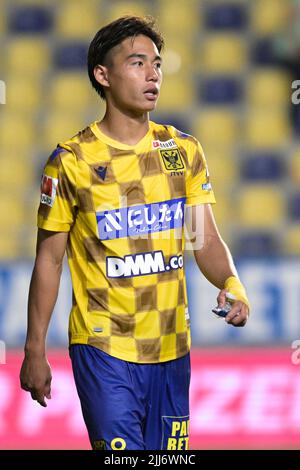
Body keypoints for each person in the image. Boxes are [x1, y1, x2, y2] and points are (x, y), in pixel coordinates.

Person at [20, 16, 250, 451]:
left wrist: (232, 284)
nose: (152, 74)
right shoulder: (71, 161)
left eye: (157, 64)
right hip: (103, 348)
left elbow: (205, 239)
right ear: (102, 75)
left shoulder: (182, 150)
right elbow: (48, 260)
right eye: (138, 63)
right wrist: (35, 350)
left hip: (172, 348)